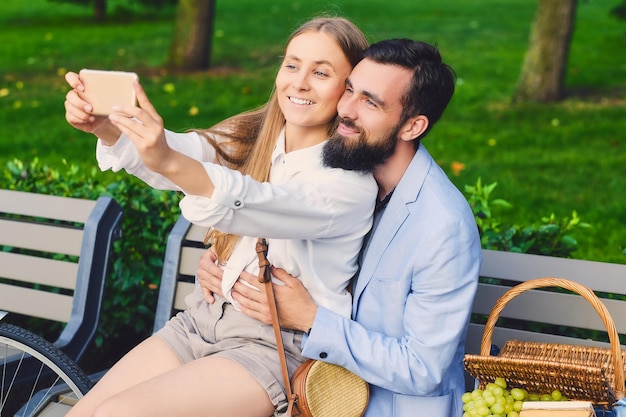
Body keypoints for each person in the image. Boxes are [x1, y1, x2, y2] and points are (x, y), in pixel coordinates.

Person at [62, 17, 387, 417]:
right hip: (202, 320)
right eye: (291, 65)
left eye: (321, 72)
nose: (299, 82)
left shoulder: (346, 185)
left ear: (348, 90)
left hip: (271, 348)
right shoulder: (254, 135)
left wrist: (166, 157)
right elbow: (182, 152)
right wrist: (109, 130)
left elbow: (253, 203)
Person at [197, 38, 482, 417]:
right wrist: (228, 262)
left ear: (412, 126)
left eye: (370, 102)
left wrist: (312, 319)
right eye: (349, 89)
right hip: (303, 387)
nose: (345, 110)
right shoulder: (342, 177)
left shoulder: (443, 225)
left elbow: (422, 367)